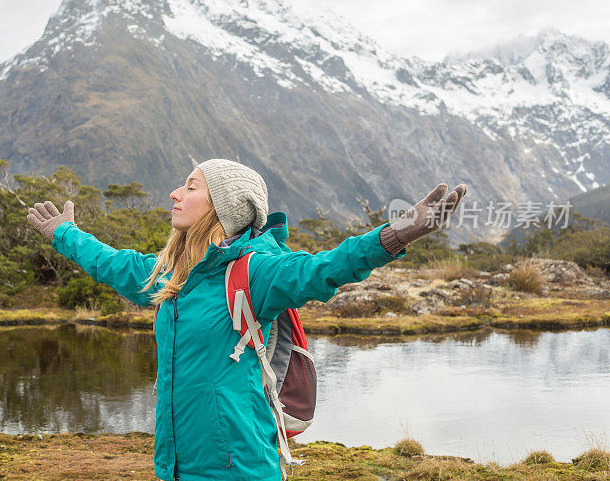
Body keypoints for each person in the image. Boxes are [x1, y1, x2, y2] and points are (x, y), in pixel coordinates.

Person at [27, 158, 466, 481]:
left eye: (191, 186)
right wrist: (65, 235)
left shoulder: (255, 273)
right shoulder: (174, 275)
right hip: (174, 466)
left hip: (237, 470)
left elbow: (322, 269)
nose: (176, 194)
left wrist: (395, 234)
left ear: (225, 206)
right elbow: (113, 264)